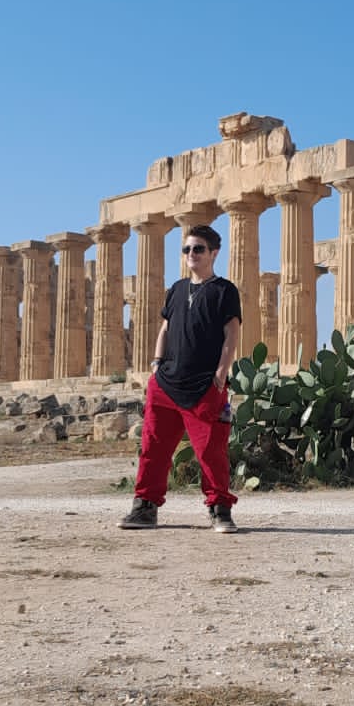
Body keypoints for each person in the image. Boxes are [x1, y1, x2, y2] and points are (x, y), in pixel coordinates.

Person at [119, 223, 242, 532]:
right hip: (165, 383)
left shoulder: (224, 290)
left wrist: (220, 374)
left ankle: (220, 509)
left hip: (204, 385)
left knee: (210, 451)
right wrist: (156, 365)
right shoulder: (176, 289)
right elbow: (165, 328)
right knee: (153, 447)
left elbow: (232, 333)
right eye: (187, 249)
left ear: (214, 253)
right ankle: (144, 508)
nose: (191, 254)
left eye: (198, 249)